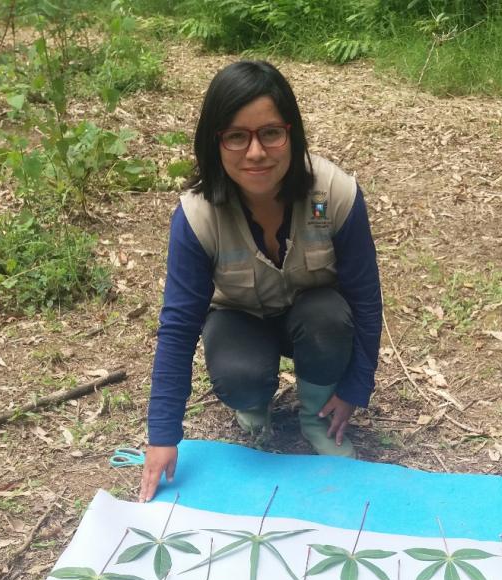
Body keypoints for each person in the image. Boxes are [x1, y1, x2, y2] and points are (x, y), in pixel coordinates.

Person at [139, 60, 383, 502]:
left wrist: (353, 390)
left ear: (292, 134)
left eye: (270, 132)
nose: (256, 152)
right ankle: (252, 406)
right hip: (240, 319)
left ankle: (317, 416)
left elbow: (365, 298)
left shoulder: (335, 193)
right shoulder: (196, 216)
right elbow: (178, 327)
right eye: (236, 136)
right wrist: (162, 433)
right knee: (239, 372)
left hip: (312, 317)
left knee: (329, 316)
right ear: (215, 143)